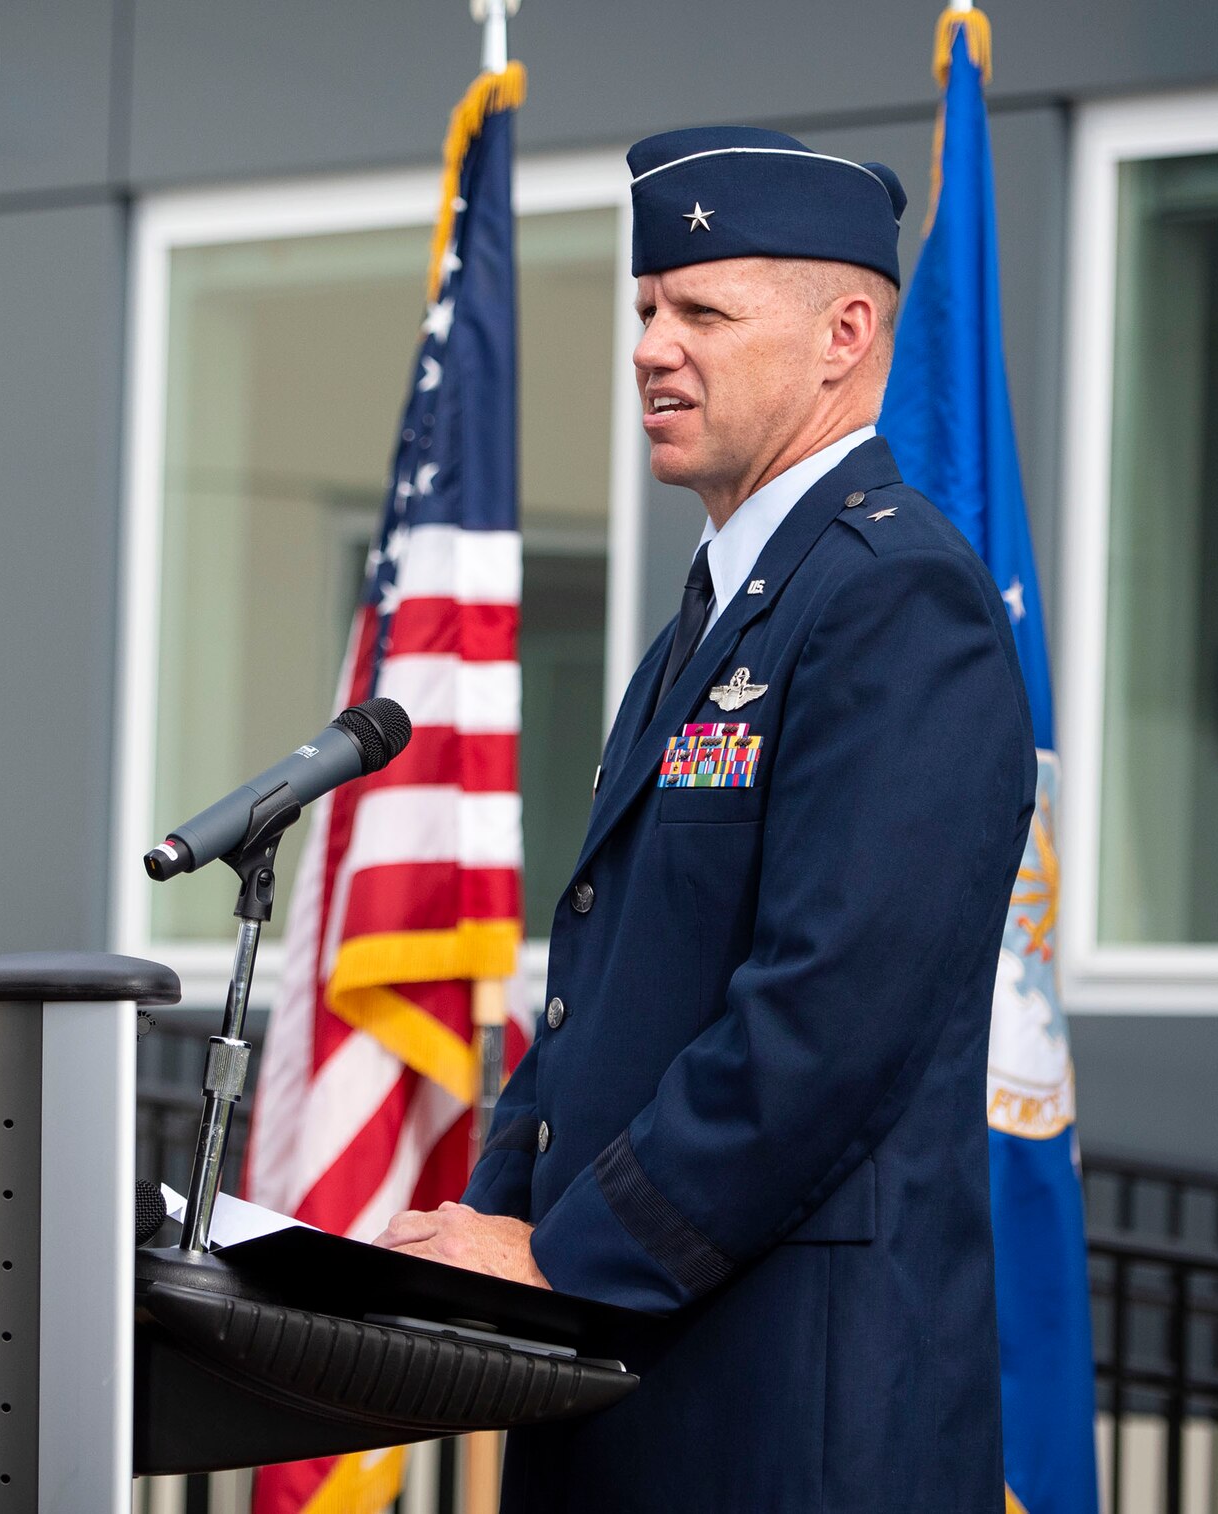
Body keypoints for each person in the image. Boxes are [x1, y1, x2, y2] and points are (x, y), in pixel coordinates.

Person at [376, 125, 1033, 1513]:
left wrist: (562, 1256)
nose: (652, 347)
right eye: (643, 311)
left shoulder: (896, 599)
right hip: (634, 1375)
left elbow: (823, 1021)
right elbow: (603, 985)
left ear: (845, 332)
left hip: (787, 1414)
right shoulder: (711, 622)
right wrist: (500, 1215)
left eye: (703, 312)